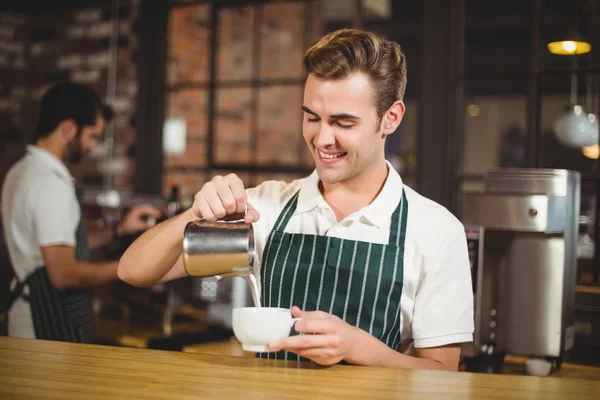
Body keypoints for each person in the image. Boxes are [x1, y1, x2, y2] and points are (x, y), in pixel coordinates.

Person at [118, 28, 474, 370]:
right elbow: (133, 272)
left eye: (343, 123)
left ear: (391, 118)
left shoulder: (436, 231)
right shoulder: (266, 209)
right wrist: (192, 214)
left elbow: (441, 373)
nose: (321, 139)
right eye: (312, 118)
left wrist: (355, 347)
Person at [1, 82, 161, 342]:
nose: (92, 146)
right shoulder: (49, 184)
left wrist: (119, 229)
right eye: (92, 136)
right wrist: (127, 268)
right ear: (68, 129)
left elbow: (62, 240)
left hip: (28, 316)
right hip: (46, 325)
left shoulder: (23, 170)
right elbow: (64, 275)